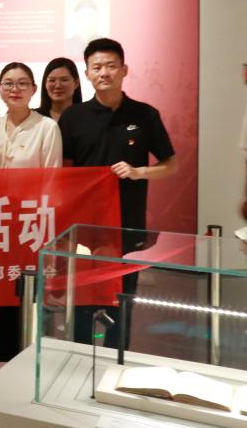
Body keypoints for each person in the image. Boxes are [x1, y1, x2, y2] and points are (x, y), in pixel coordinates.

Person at [60, 38, 177, 347]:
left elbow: (171, 164)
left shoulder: (145, 115)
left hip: (127, 225)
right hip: (84, 227)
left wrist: (139, 172)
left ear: (124, 70)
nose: (104, 73)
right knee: (82, 301)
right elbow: (64, 173)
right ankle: (80, 361)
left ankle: (116, 362)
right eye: (97, 67)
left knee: (122, 300)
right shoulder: (73, 117)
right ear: (87, 73)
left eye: (111, 66)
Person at [0, 63, 62, 362]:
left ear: (33, 90)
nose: (14, 89)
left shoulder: (47, 127)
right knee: (0, 289)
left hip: (31, 225)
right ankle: (1, 362)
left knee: (28, 292)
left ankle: (29, 363)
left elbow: (52, 179)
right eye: (8, 83)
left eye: (22, 83)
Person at [35, 57, 83, 121]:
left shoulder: (87, 116)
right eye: (52, 80)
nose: (58, 85)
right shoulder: (33, 117)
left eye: (64, 80)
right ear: (45, 83)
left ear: (76, 83)